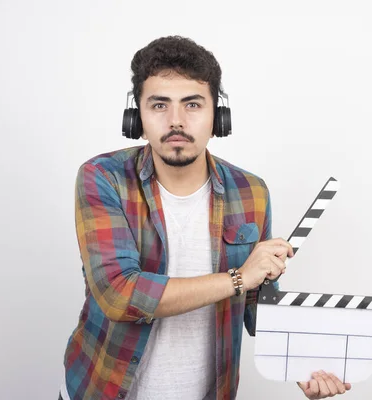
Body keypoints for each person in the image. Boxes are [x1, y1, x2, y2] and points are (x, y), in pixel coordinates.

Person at [60, 35, 352, 400]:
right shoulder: (103, 178)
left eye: (193, 104)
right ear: (136, 117)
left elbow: (257, 299)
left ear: (219, 116)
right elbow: (119, 294)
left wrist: (302, 366)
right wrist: (238, 278)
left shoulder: (251, 192)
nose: (176, 121)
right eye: (159, 105)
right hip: (103, 390)